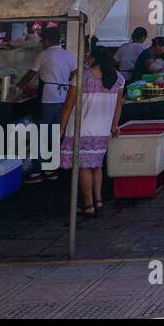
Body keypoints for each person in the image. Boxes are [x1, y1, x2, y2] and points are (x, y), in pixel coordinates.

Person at [59, 46, 125, 217]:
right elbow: (118, 106)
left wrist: (61, 127)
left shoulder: (82, 77)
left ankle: (88, 205)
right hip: (103, 129)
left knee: (83, 167)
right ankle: (98, 199)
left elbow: (68, 105)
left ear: (93, 58)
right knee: (96, 165)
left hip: (82, 129)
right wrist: (115, 124)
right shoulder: (118, 79)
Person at [18, 25, 78, 183]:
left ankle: (37, 170)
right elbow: (74, 74)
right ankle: (51, 168)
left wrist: (16, 87)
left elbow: (30, 74)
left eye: (42, 40)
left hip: (47, 98)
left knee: (40, 133)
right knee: (55, 133)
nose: (41, 43)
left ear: (48, 40)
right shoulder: (69, 55)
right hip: (64, 96)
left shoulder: (44, 54)